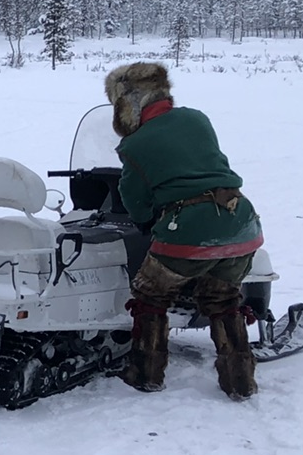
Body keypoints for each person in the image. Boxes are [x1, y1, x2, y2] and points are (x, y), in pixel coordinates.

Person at [105, 62, 264, 400]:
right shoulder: (197, 118)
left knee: (150, 294)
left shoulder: (133, 147)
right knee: (223, 299)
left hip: (188, 228)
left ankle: (145, 372)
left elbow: (134, 199)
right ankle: (240, 380)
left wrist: (148, 222)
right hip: (241, 221)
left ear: (126, 105)